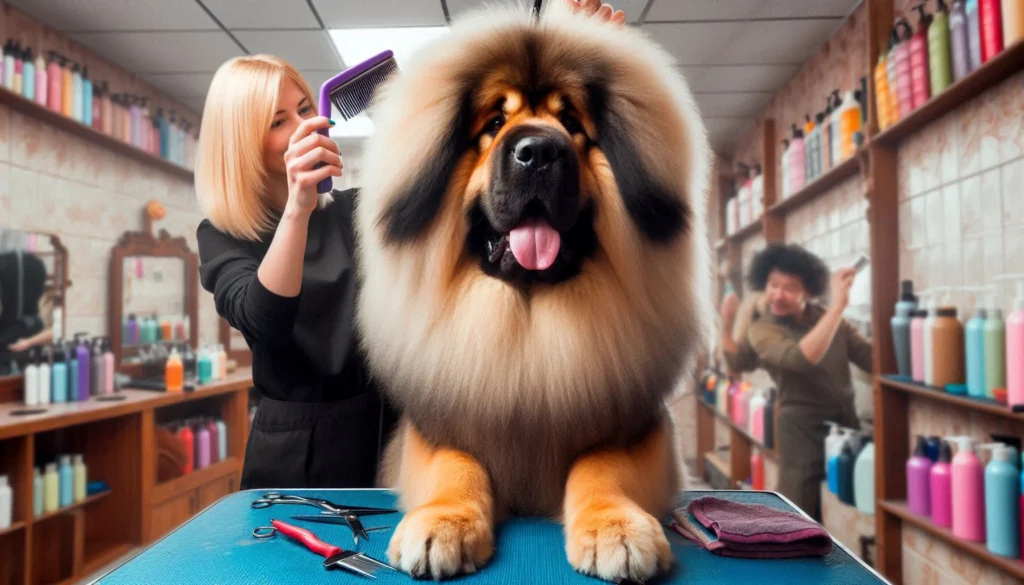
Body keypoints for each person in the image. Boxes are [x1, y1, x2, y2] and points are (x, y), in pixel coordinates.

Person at [194, 54, 398, 489]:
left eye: (306, 109)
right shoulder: (222, 235)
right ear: (243, 145)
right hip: (299, 454)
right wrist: (298, 208)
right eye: (278, 121)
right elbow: (265, 322)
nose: (305, 126)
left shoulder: (352, 211)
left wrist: (405, 112)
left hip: (387, 432)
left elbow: (433, 199)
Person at [744, 244, 872, 521]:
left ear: (809, 292)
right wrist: (838, 306)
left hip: (846, 427)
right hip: (801, 432)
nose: (777, 295)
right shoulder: (763, 329)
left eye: (789, 287)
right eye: (772, 285)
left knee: (844, 513)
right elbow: (799, 358)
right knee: (799, 514)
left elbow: (871, 359)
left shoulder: (828, 319)